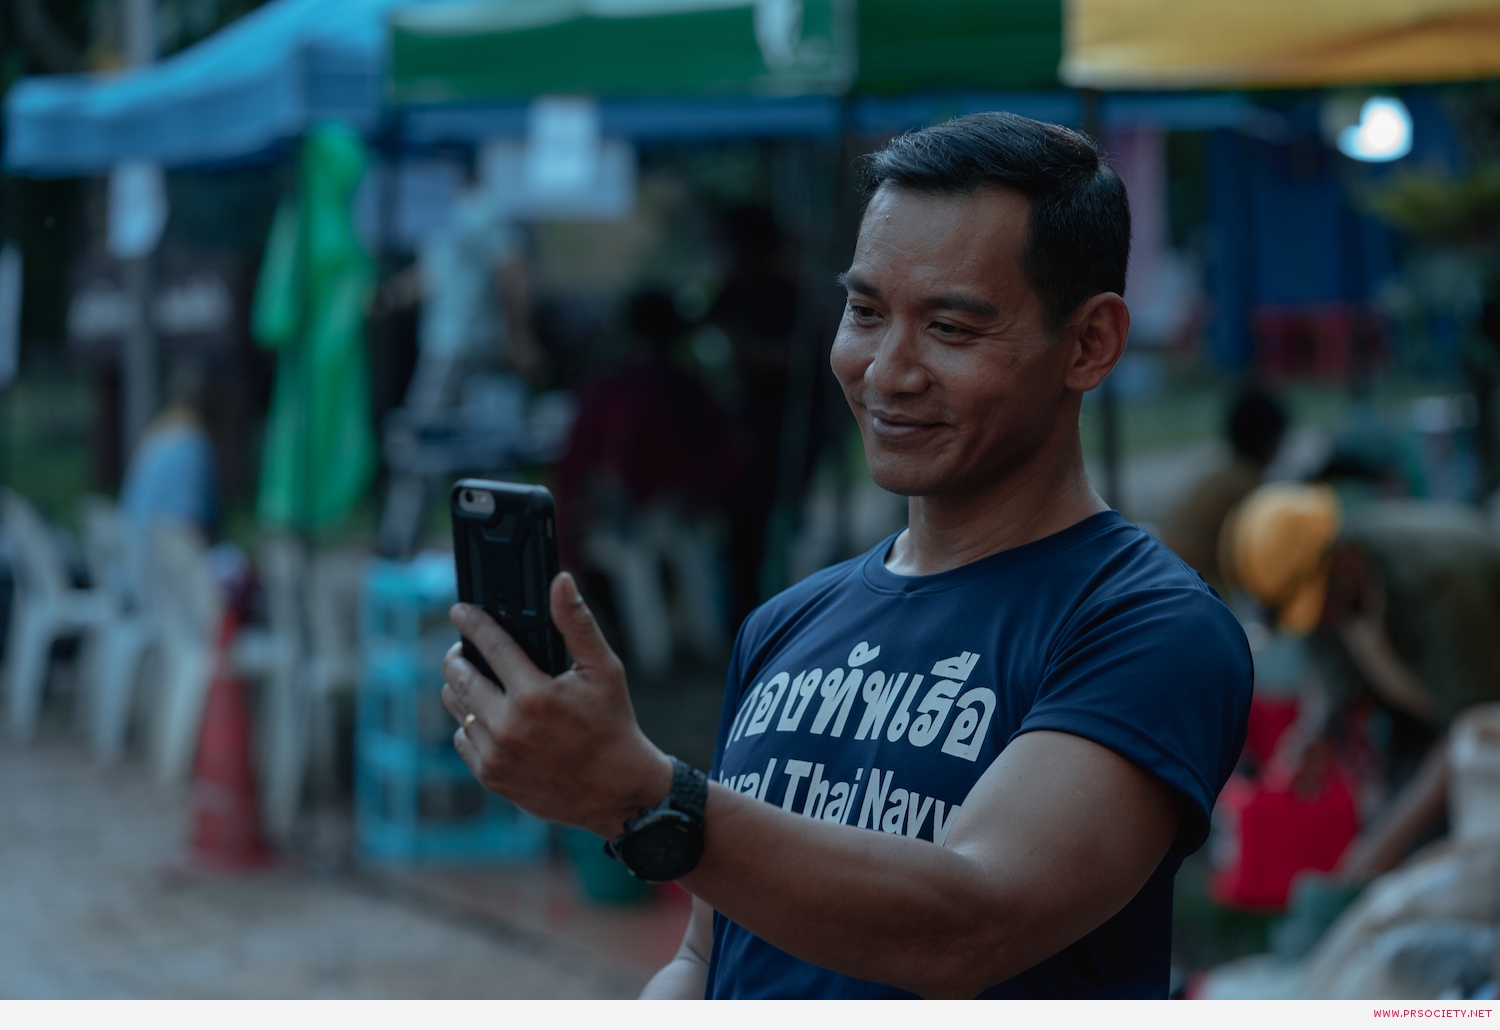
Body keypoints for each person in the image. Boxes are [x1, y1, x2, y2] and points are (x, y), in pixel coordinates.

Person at [437, 112, 1252, 998]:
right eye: (865, 312)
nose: (887, 371)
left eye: (951, 328)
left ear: (1090, 343)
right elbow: (706, 958)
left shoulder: (1146, 626)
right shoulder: (787, 626)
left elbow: (971, 924)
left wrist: (643, 796)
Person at [1223, 484, 1500, 878]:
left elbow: (1473, 732)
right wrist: (1320, 732)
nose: (1316, 624)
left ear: (1345, 561)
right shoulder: (1334, 588)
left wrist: (1383, 844)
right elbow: (1340, 679)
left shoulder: (1439, 585)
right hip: (1433, 723)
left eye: (1316, 608)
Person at [554, 290, 737, 676]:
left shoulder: (611, 386)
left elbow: (579, 467)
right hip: (674, 512)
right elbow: (719, 454)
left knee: (638, 556)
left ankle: (656, 657)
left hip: (639, 517)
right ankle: (700, 646)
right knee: (672, 552)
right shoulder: (688, 385)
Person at [1160, 387, 1286, 594]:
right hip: (1190, 592)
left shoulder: (1226, 476)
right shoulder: (1246, 490)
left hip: (1172, 584)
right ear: (1272, 441)